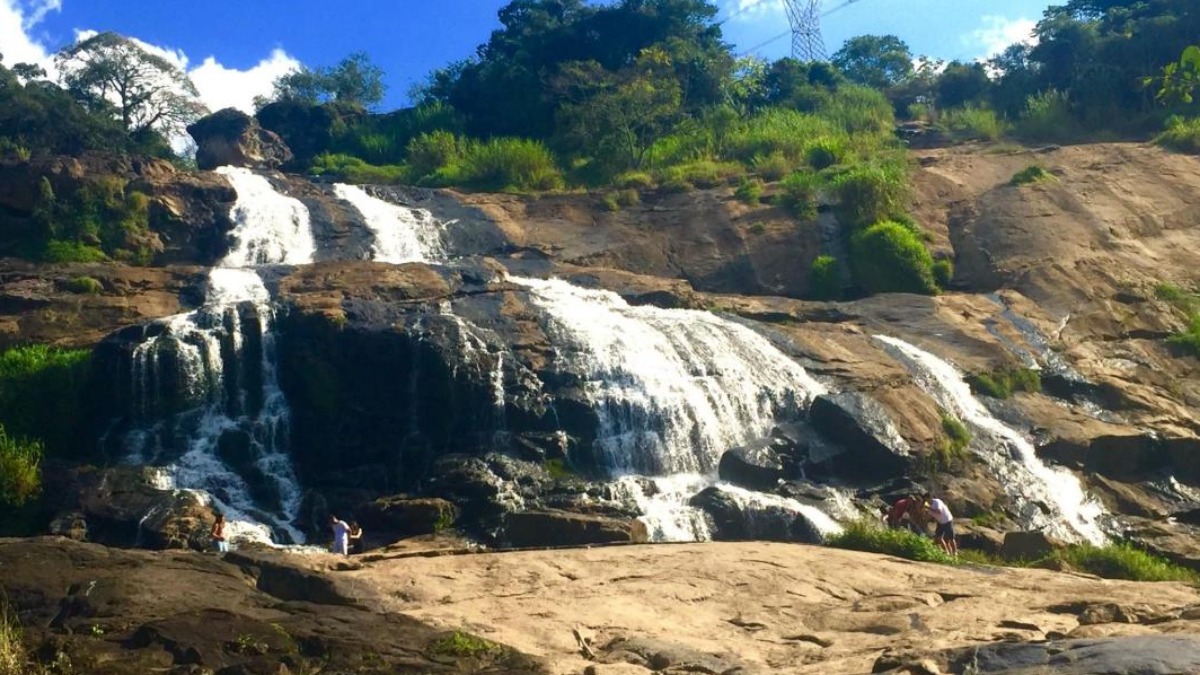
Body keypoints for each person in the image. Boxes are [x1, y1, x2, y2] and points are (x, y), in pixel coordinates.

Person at [923, 492, 957, 557]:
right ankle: (946, 552)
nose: (926, 501)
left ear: (930, 498)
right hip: (940, 522)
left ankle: (954, 553)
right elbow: (930, 516)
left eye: (927, 499)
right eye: (925, 500)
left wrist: (929, 508)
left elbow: (939, 511)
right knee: (939, 537)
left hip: (947, 520)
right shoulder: (928, 506)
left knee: (950, 538)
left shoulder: (937, 502)